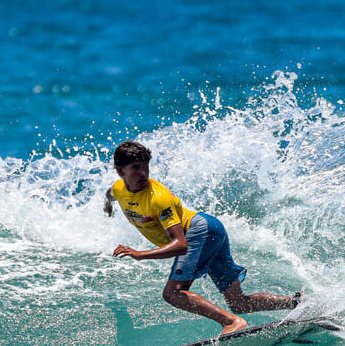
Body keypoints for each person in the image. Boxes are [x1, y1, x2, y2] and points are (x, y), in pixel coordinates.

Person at [104, 140, 298, 335]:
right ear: (121, 171)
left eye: (146, 167)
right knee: (238, 302)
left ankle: (231, 323)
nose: (143, 173)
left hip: (200, 231)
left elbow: (181, 245)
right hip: (211, 229)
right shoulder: (119, 189)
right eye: (136, 168)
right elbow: (111, 194)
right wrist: (108, 206)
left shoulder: (158, 198)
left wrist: (141, 254)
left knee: (172, 293)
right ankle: (297, 303)